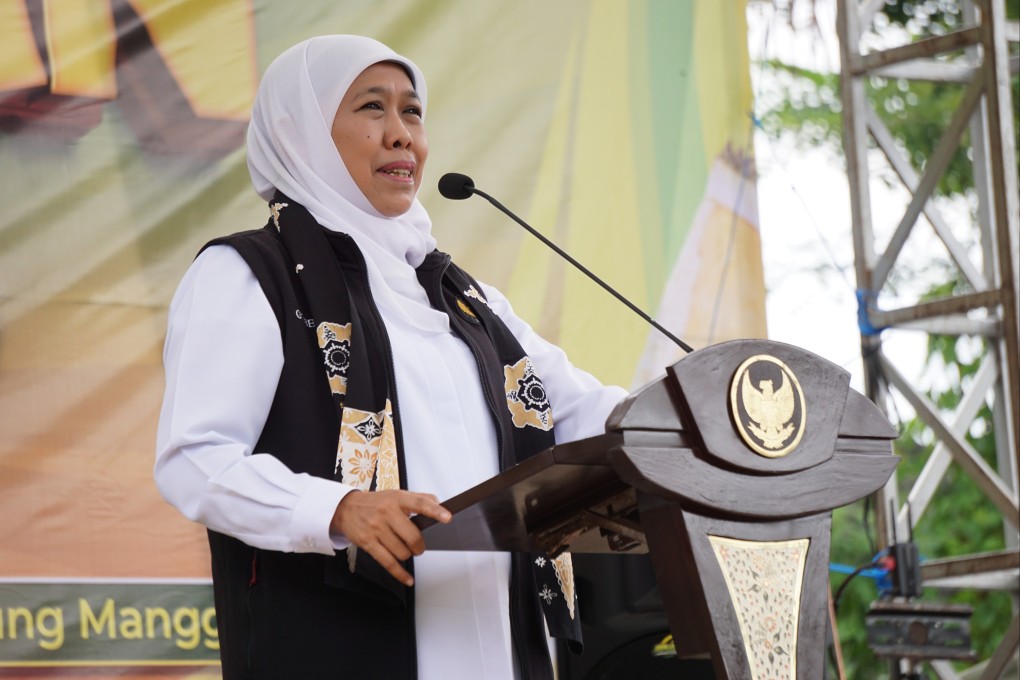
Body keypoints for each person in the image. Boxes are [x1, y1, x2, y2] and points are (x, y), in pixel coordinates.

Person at [155, 35, 626, 679]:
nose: (403, 135)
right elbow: (196, 458)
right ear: (300, 134)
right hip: (346, 645)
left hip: (507, 645)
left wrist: (703, 413)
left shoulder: (463, 297)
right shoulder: (250, 274)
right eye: (372, 108)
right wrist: (336, 509)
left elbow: (584, 411)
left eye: (413, 111)